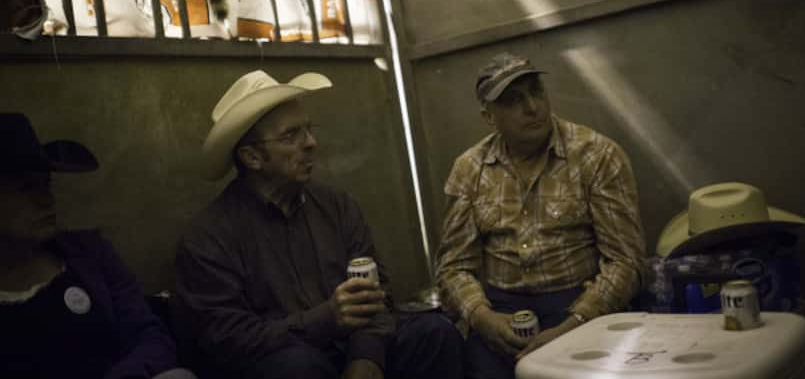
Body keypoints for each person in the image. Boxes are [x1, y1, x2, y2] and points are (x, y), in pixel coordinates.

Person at [173, 70, 464, 379]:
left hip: (353, 349)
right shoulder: (209, 237)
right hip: (285, 363)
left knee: (434, 333)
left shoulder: (337, 206)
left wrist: (366, 360)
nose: (311, 143)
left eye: (309, 130)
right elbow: (227, 340)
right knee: (298, 368)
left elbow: (377, 297)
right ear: (252, 157)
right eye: (291, 136)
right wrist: (325, 319)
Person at [434, 52, 646, 379]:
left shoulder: (596, 155)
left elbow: (626, 261)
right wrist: (482, 317)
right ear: (489, 116)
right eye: (513, 101)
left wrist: (575, 323)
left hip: (581, 309)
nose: (532, 107)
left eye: (536, 92)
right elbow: (452, 267)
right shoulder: (469, 169)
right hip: (500, 317)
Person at [0, 112, 195, 379]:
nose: (46, 200)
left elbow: (150, 336)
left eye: (46, 185)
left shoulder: (89, 254)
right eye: (25, 188)